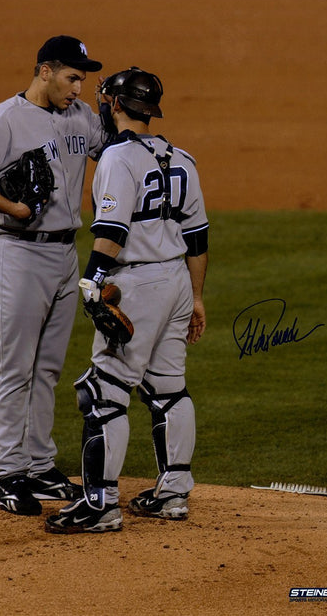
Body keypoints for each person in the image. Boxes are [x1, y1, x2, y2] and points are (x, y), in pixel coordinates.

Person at [45, 67, 209, 534]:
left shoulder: (118, 158)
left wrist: (92, 282)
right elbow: (197, 239)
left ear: (116, 105)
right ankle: (173, 493)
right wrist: (196, 299)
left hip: (137, 285)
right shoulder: (182, 158)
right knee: (168, 387)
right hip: (177, 280)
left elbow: (112, 232)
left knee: (103, 392)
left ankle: (100, 504)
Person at [0, 36, 109, 516]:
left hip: (65, 254)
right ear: (45, 71)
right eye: (71, 77)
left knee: (48, 368)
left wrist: (120, 107)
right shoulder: (4, 119)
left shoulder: (81, 116)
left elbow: (116, 149)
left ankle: (40, 464)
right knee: (16, 366)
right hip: (18, 255)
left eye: (83, 79)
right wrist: (14, 206)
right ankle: (10, 472)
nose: (78, 87)